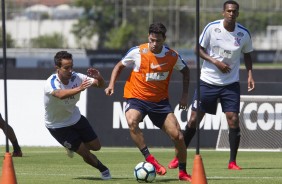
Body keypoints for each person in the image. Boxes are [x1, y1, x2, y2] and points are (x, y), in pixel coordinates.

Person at [168, 0, 255, 171]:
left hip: (231, 84)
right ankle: (178, 157)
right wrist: (215, 61)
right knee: (193, 120)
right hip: (207, 82)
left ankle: (232, 162)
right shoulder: (211, 28)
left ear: (237, 14)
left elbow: (247, 55)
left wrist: (250, 75)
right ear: (223, 12)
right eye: (228, 11)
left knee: (233, 119)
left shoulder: (243, 33)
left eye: (234, 11)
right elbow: (197, 49)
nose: (231, 13)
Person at [105, 22, 191, 181]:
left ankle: (183, 172)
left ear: (164, 39)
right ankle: (150, 159)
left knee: (178, 136)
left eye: (158, 41)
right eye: (151, 40)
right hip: (136, 97)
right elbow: (119, 66)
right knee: (132, 121)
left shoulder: (172, 56)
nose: (154, 44)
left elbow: (186, 71)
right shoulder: (138, 51)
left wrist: (185, 96)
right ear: (148, 37)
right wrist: (111, 85)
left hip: (160, 102)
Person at [44, 51, 111, 180]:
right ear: (57, 68)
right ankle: (103, 169)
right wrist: (79, 89)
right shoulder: (51, 82)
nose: (70, 70)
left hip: (75, 118)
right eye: (66, 68)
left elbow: (100, 85)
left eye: (71, 66)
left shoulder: (77, 77)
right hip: (57, 126)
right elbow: (60, 95)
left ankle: (73, 146)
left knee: (96, 147)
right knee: (85, 153)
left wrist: (100, 78)